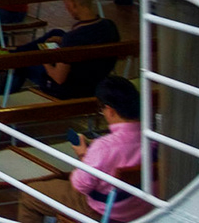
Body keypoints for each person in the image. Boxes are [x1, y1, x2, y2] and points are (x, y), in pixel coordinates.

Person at [16, 76, 146, 222]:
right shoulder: (152, 139)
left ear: (110, 110)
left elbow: (80, 185)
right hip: (140, 210)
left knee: (29, 194)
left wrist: (84, 156)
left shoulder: (104, 147)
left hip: (103, 211)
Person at [23, 0, 122, 99]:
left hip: (70, 90)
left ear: (72, 4)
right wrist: (63, 40)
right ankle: (16, 51)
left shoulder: (73, 38)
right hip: (98, 80)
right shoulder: (109, 26)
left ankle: (4, 99)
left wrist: (44, 58)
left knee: (23, 64)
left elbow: (58, 78)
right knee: (57, 33)